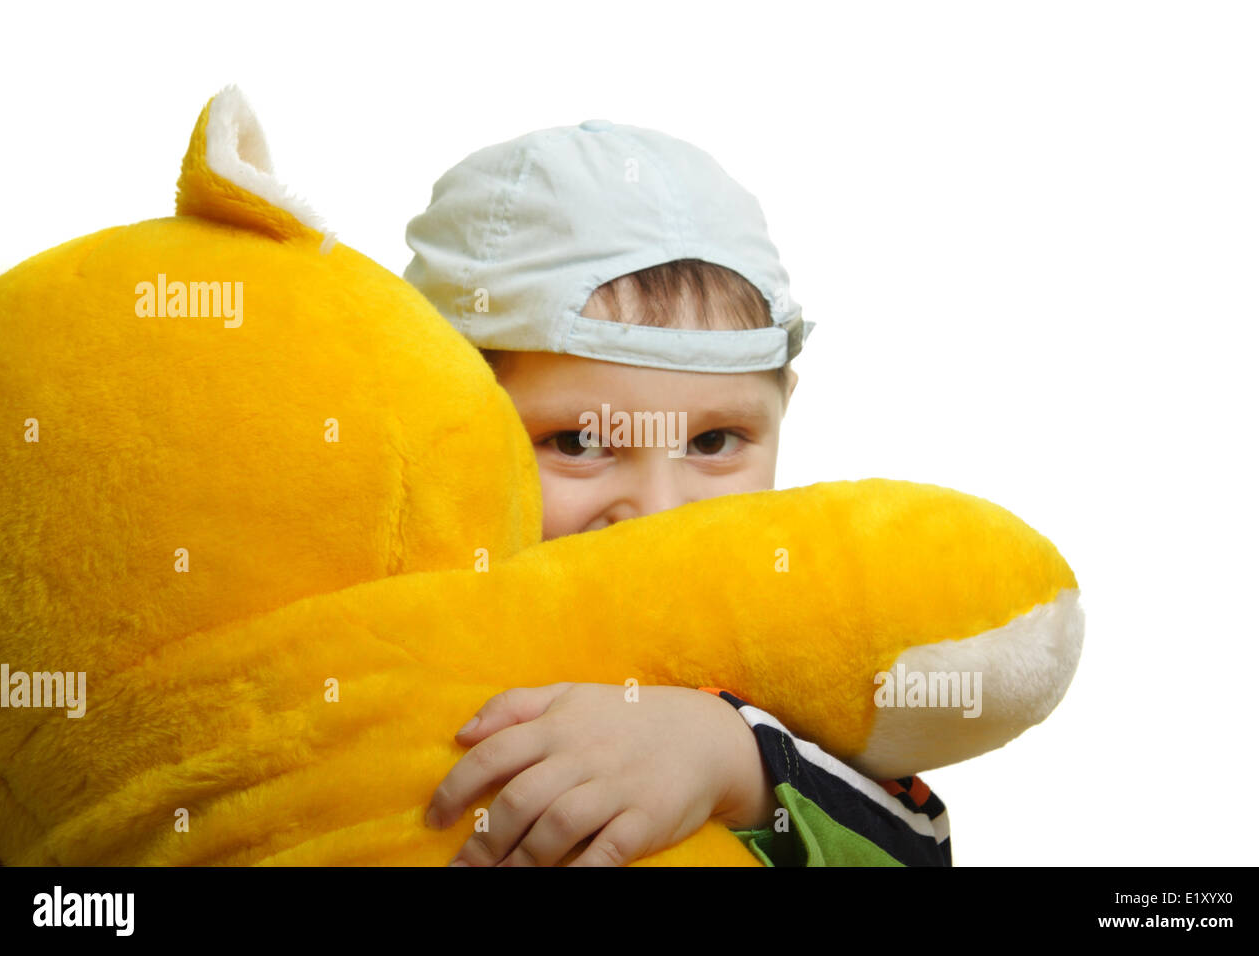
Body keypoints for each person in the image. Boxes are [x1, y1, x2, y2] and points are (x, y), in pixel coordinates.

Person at [405, 119, 952, 867]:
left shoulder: (782, 669)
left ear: (783, 407)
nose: (657, 513)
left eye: (712, 442)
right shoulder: (377, 629)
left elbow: (922, 846)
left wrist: (735, 759)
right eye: (579, 442)